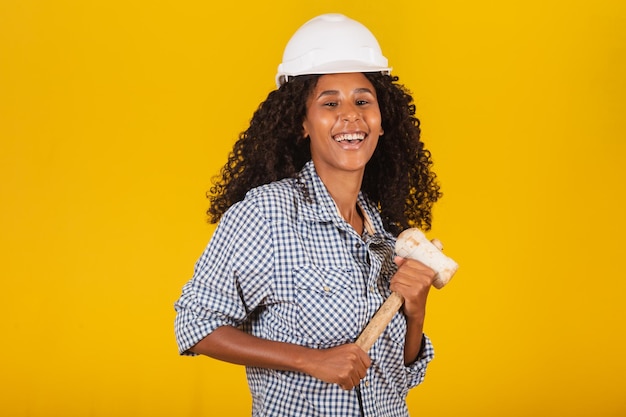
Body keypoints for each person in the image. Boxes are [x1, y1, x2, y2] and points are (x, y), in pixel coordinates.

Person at [174, 13, 442, 416]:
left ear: (382, 121)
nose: (350, 115)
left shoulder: (384, 237)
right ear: (302, 123)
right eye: (329, 102)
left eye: (363, 101)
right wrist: (310, 359)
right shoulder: (266, 215)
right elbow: (195, 325)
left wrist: (415, 309)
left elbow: (399, 381)